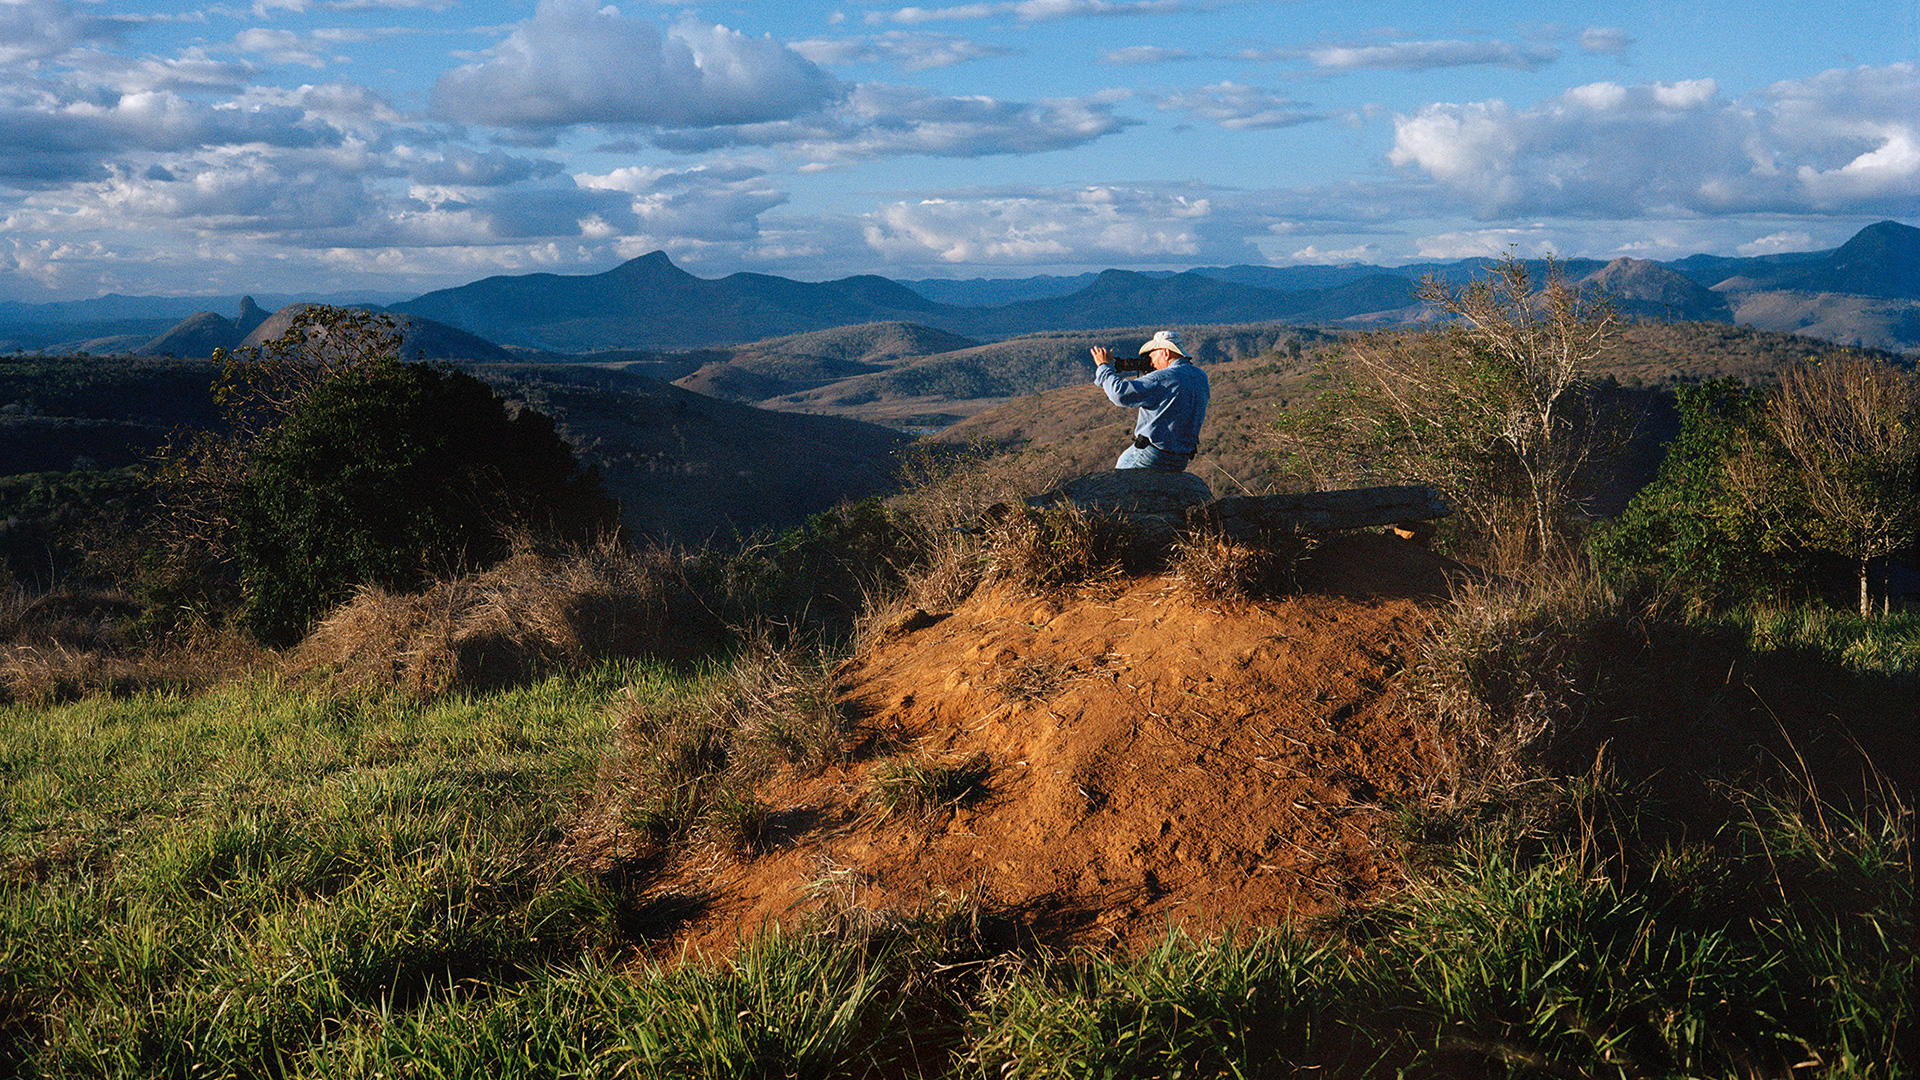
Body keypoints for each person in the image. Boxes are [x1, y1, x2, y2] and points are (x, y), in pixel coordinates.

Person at [1090, 329, 1209, 471]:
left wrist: (1103, 367)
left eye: (1152, 355)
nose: (1151, 362)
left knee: (1115, 484)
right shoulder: (1201, 376)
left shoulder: (1162, 378)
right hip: (1181, 459)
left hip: (1153, 455)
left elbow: (1119, 394)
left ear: (1165, 352)